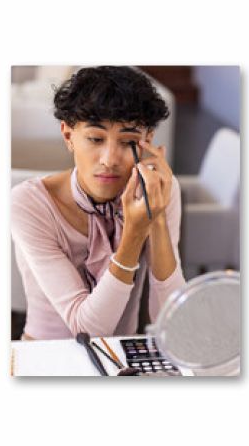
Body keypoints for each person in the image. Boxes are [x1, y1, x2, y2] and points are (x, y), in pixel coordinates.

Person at [11, 66, 186, 340]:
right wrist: (134, 234)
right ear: (68, 136)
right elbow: (86, 330)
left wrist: (158, 218)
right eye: (95, 138)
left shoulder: (160, 191)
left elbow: (174, 323)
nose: (109, 159)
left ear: (147, 141)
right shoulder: (28, 202)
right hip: (46, 361)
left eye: (127, 141)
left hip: (121, 361)